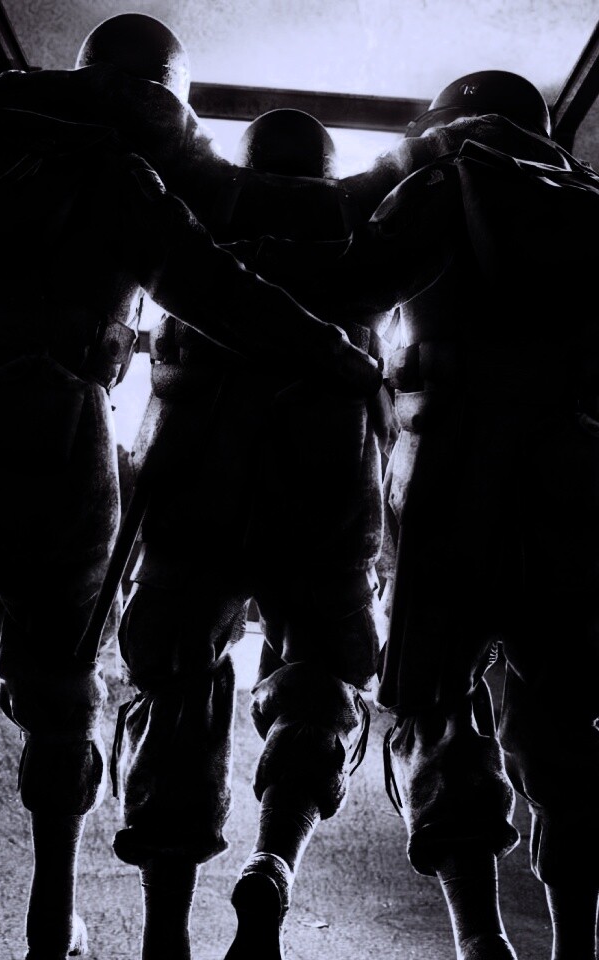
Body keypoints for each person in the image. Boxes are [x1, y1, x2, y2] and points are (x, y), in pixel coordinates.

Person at [0, 30, 383, 960]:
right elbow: (214, 287)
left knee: (170, 663)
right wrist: (340, 355)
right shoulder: (127, 168)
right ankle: (52, 915)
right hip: (57, 417)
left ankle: (127, 916)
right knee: (63, 684)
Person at [250, 70, 599, 960]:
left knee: (436, 709)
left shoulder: (437, 181)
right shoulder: (590, 204)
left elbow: (341, 288)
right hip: (574, 489)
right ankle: (578, 945)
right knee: (567, 719)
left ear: (445, 121)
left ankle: (481, 940)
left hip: (448, 483)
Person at [110, 106, 394, 960]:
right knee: (325, 672)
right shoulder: (362, 229)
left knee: (175, 676)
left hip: (198, 463)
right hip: (325, 466)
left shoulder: (194, 210)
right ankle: (273, 862)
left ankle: (165, 931)